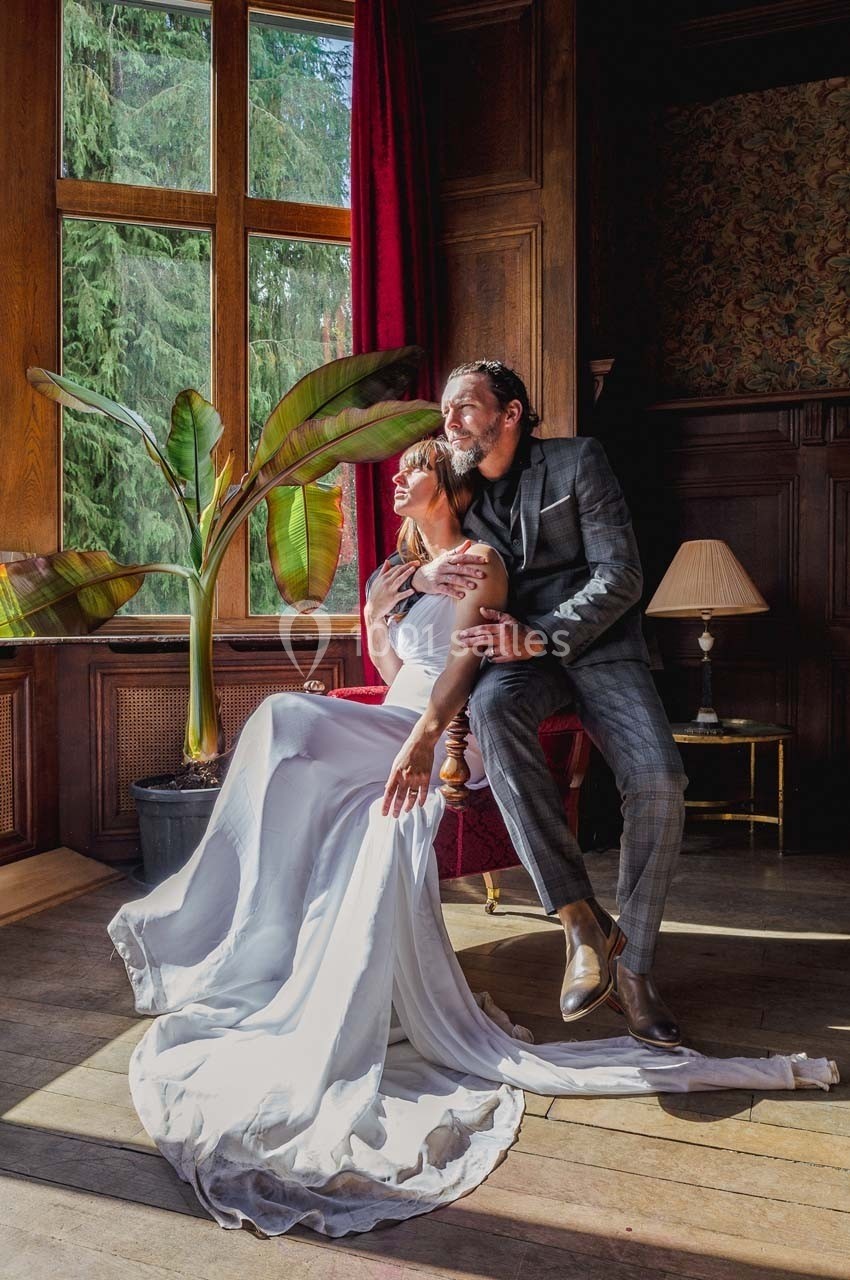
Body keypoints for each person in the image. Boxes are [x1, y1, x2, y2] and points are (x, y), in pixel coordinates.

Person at [108, 438, 837, 1239]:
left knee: (286, 718)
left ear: (449, 487)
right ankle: (260, 944)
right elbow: (389, 663)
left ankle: (249, 922)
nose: (398, 479)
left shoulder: (483, 561)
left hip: (446, 730)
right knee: (294, 748)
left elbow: (456, 670)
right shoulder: (395, 571)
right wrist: (387, 610)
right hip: (395, 711)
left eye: (415, 469)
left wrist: (425, 739)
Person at [409, 361, 686, 1049]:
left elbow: (621, 573)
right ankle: (580, 921)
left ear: (511, 413)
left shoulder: (576, 462)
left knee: (660, 782)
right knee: (495, 711)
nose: (451, 421)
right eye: (446, 411)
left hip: (596, 650)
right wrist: (424, 570)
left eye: (466, 407)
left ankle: (636, 970)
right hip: (515, 665)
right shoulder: (458, 487)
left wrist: (540, 635)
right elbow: (397, 563)